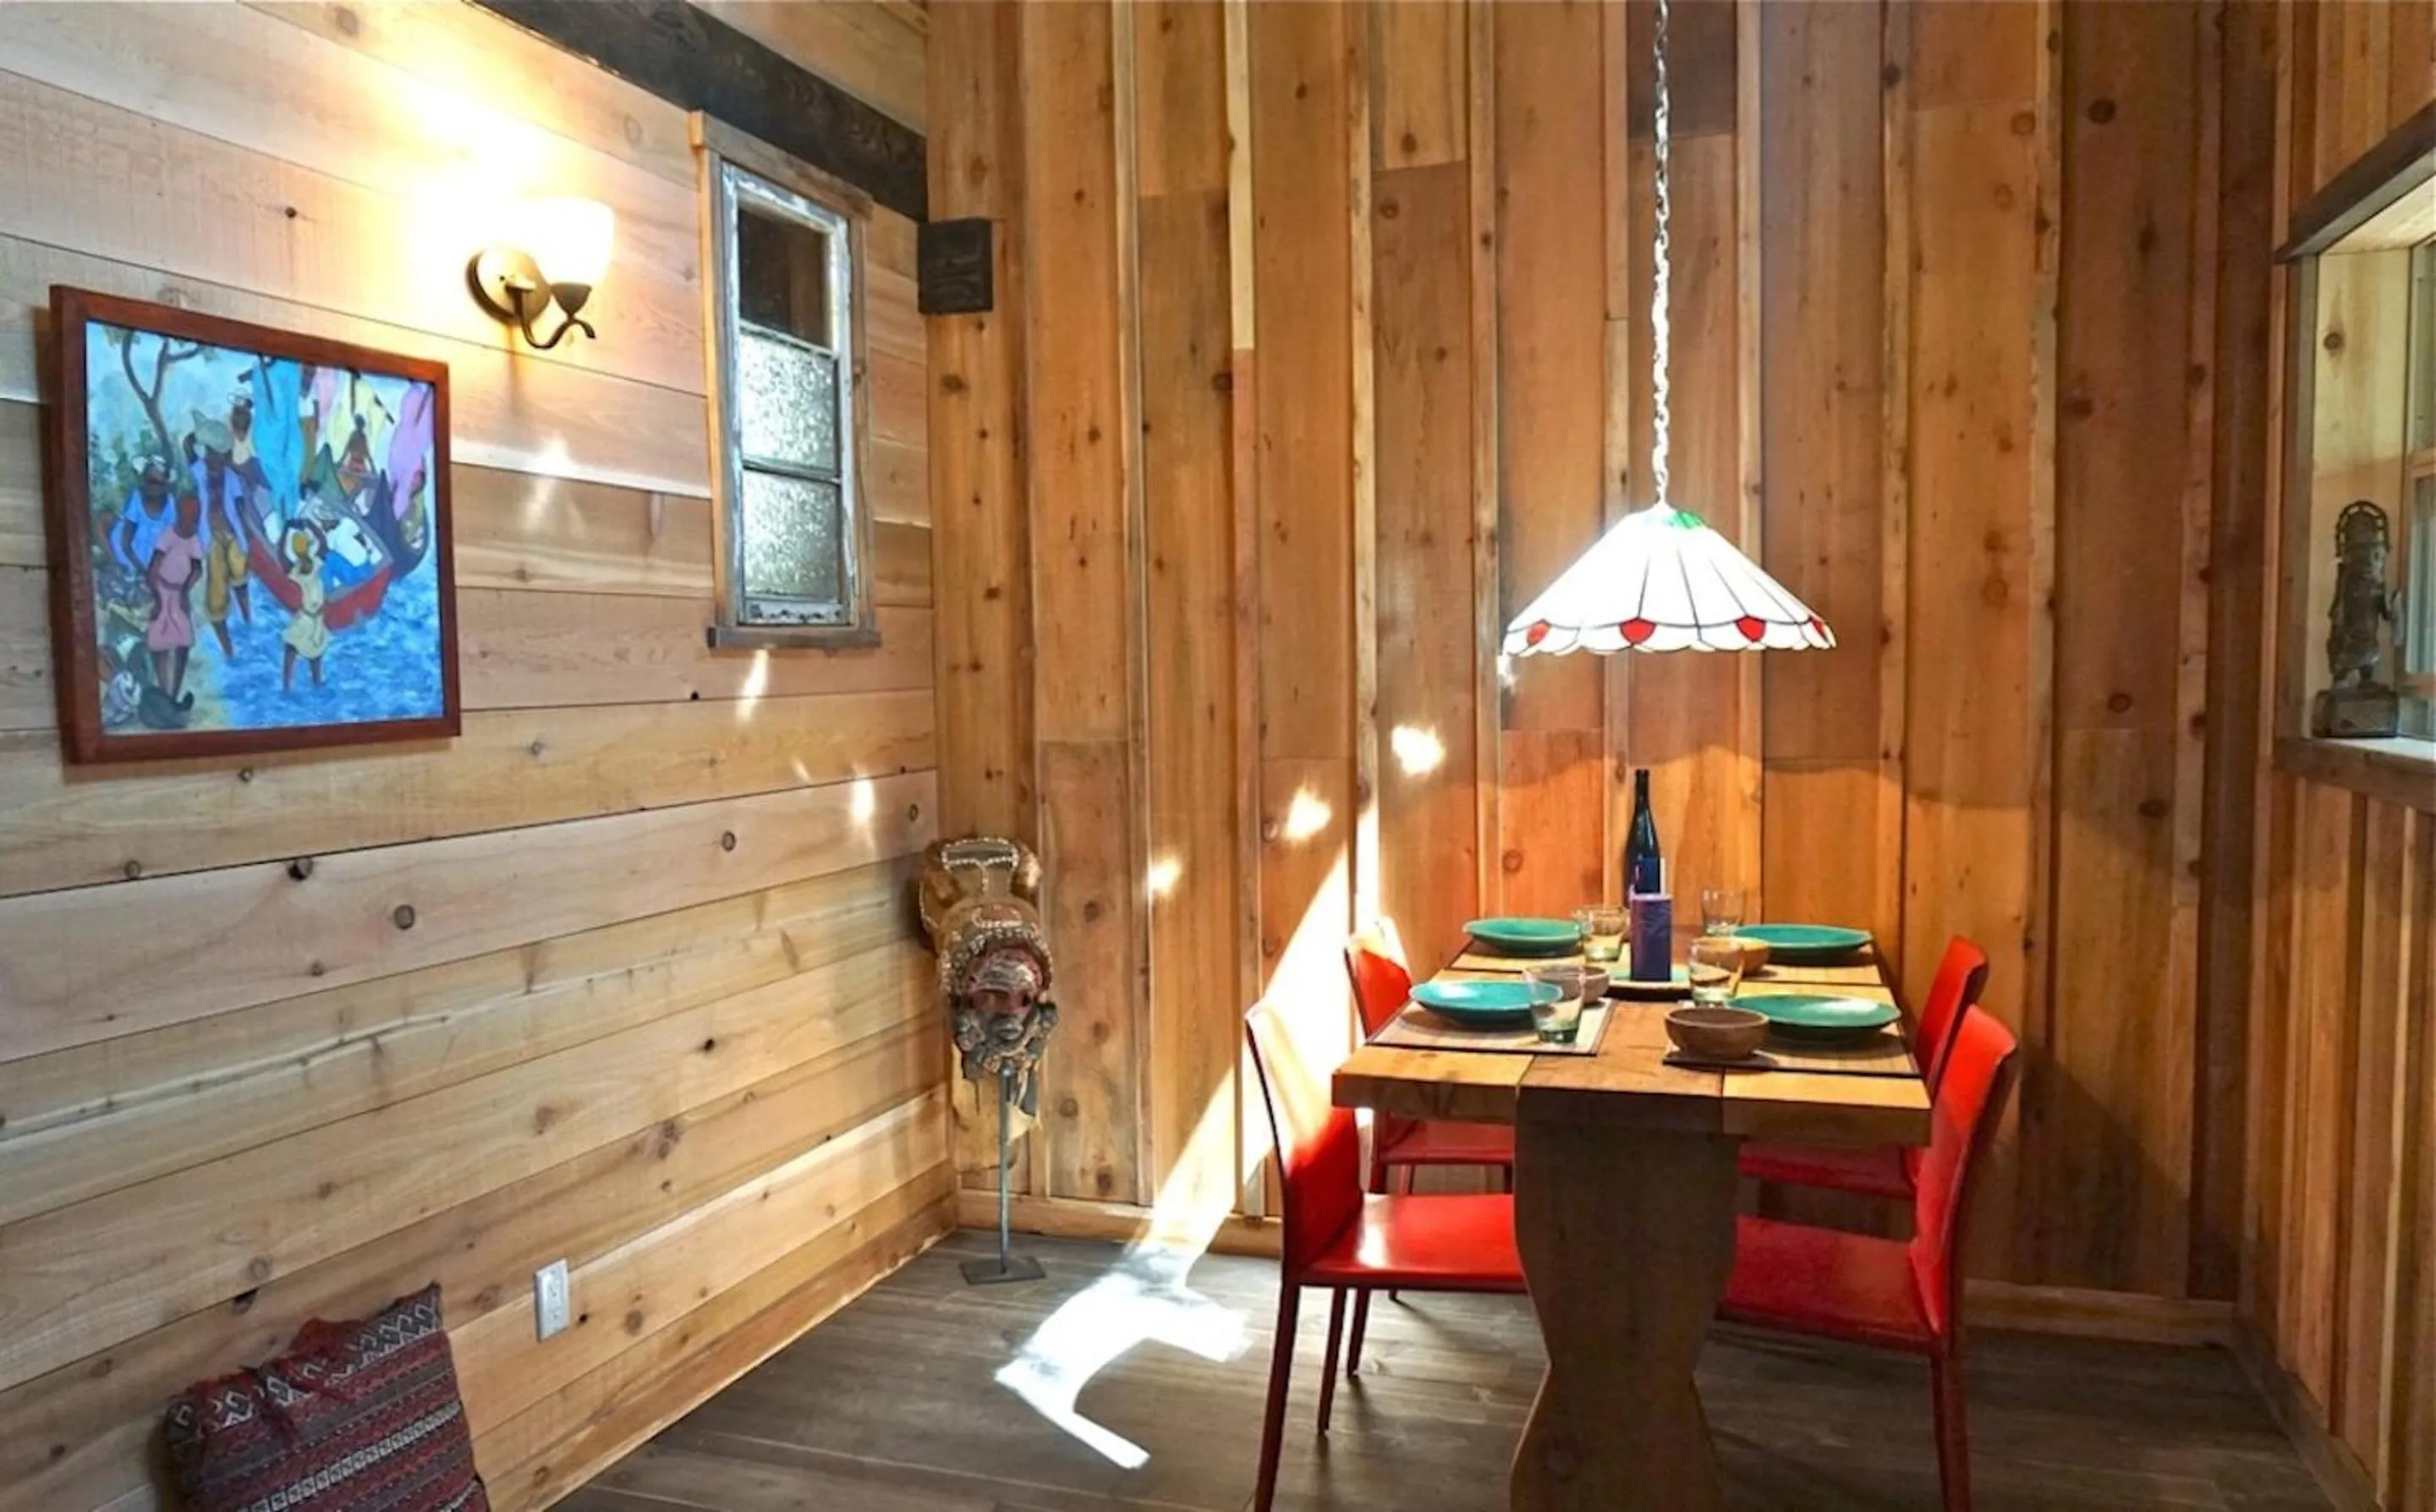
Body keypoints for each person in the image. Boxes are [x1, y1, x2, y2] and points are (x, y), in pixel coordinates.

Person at [187, 416, 252, 659]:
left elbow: (241, 509)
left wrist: (248, 540)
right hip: (211, 537)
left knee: (241, 578)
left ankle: (247, 619)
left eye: (218, 454)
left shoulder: (231, 477)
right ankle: (228, 650)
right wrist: (202, 432)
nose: (213, 458)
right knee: (216, 595)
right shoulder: (198, 470)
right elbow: (187, 446)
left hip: (231, 534)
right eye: (210, 452)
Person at [145, 490, 206, 706]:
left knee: (183, 642)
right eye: (190, 520)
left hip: (179, 593)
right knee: (158, 643)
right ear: (181, 517)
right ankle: (163, 689)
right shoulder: (168, 536)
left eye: (196, 520)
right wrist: (158, 600)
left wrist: (186, 589)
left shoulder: (194, 540)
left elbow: (198, 569)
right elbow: (152, 570)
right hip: (162, 590)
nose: (193, 525)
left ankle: (174, 692)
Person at [280, 524, 330, 692]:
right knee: (315, 659)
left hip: (307, 618)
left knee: (290, 650)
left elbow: (280, 555)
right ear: (309, 547)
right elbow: (323, 543)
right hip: (316, 619)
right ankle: (316, 686)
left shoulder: (295, 570)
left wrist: (286, 529)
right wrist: (310, 523)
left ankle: (286, 687)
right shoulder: (316, 563)